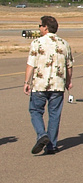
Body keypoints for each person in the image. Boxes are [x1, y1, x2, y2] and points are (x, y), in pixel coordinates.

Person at [24, 15, 74, 155]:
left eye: (40, 26)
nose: (39, 28)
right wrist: (69, 81)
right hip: (57, 85)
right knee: (54, 114)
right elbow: (69, 65)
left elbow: (31, 64)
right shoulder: (64, 44)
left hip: (40, 84)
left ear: (45, 27)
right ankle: (51, 145)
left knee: (35, 111)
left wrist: (26, 82)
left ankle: (41, 134)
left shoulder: (37, 43)